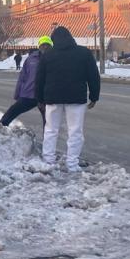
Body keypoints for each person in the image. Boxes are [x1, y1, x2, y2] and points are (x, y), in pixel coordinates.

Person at [35, 25, 101, 172]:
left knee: (51, 130)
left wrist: (39, 99)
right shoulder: (84, 53)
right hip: (76, 98)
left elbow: (39, 79)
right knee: (75, 131)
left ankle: (48, 160)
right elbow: (93, 76)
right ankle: (72, 164)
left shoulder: (48, 55)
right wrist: (94, 96)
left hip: (52, 99)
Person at [0, 37, 51, 127]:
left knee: (48, 123)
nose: (45, 47)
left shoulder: (54, 59)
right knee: (13, 110)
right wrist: (17, 93)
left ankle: (46, 141)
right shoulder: (31, 59)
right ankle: (1, 126)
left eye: (48, 45)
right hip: (29, 94)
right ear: (39, 46)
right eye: (43, 45)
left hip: (46, 97)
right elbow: (22, 77)